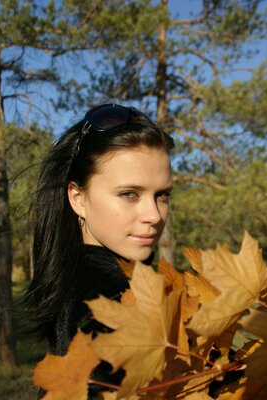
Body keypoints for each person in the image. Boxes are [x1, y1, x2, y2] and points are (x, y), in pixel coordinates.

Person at [23, 103, 174, 398]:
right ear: (78, 198)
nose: (154, 215)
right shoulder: (111, 305)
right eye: (129, 194)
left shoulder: (74, 281)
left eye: (162, 195)